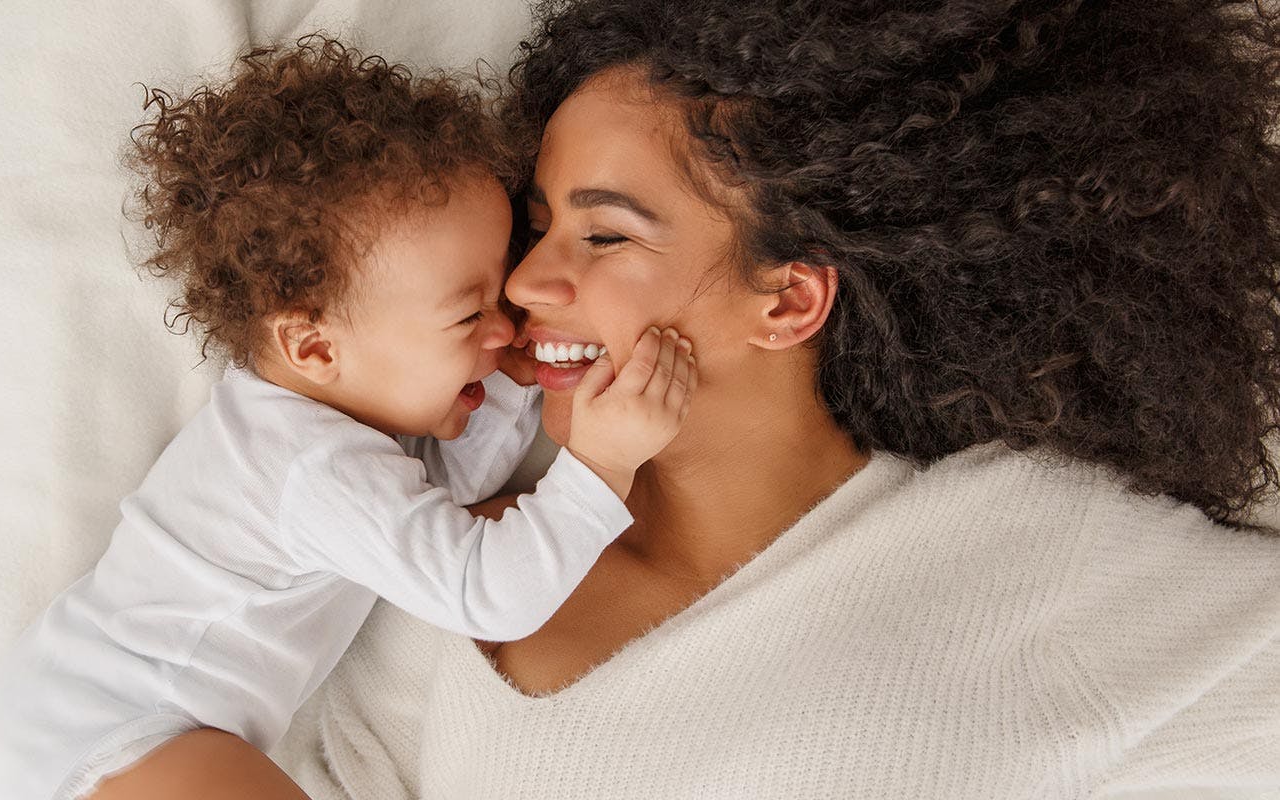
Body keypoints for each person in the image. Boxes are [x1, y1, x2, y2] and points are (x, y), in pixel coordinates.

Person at [97, 0, 1280, 797]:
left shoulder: (1024, 544)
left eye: (603, 233)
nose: (526, 281)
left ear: (789, 300)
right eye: (539, 224)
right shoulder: (444, 552)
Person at [0, 38, 700, 800]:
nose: (506, 326)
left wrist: (514, 384)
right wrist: (602, 466)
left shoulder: (323, 421)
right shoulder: (311, 466)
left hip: (80, 724)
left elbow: (438, 509)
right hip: (114, 734)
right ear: (313, 343)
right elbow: (485, 588)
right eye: (467, 315)